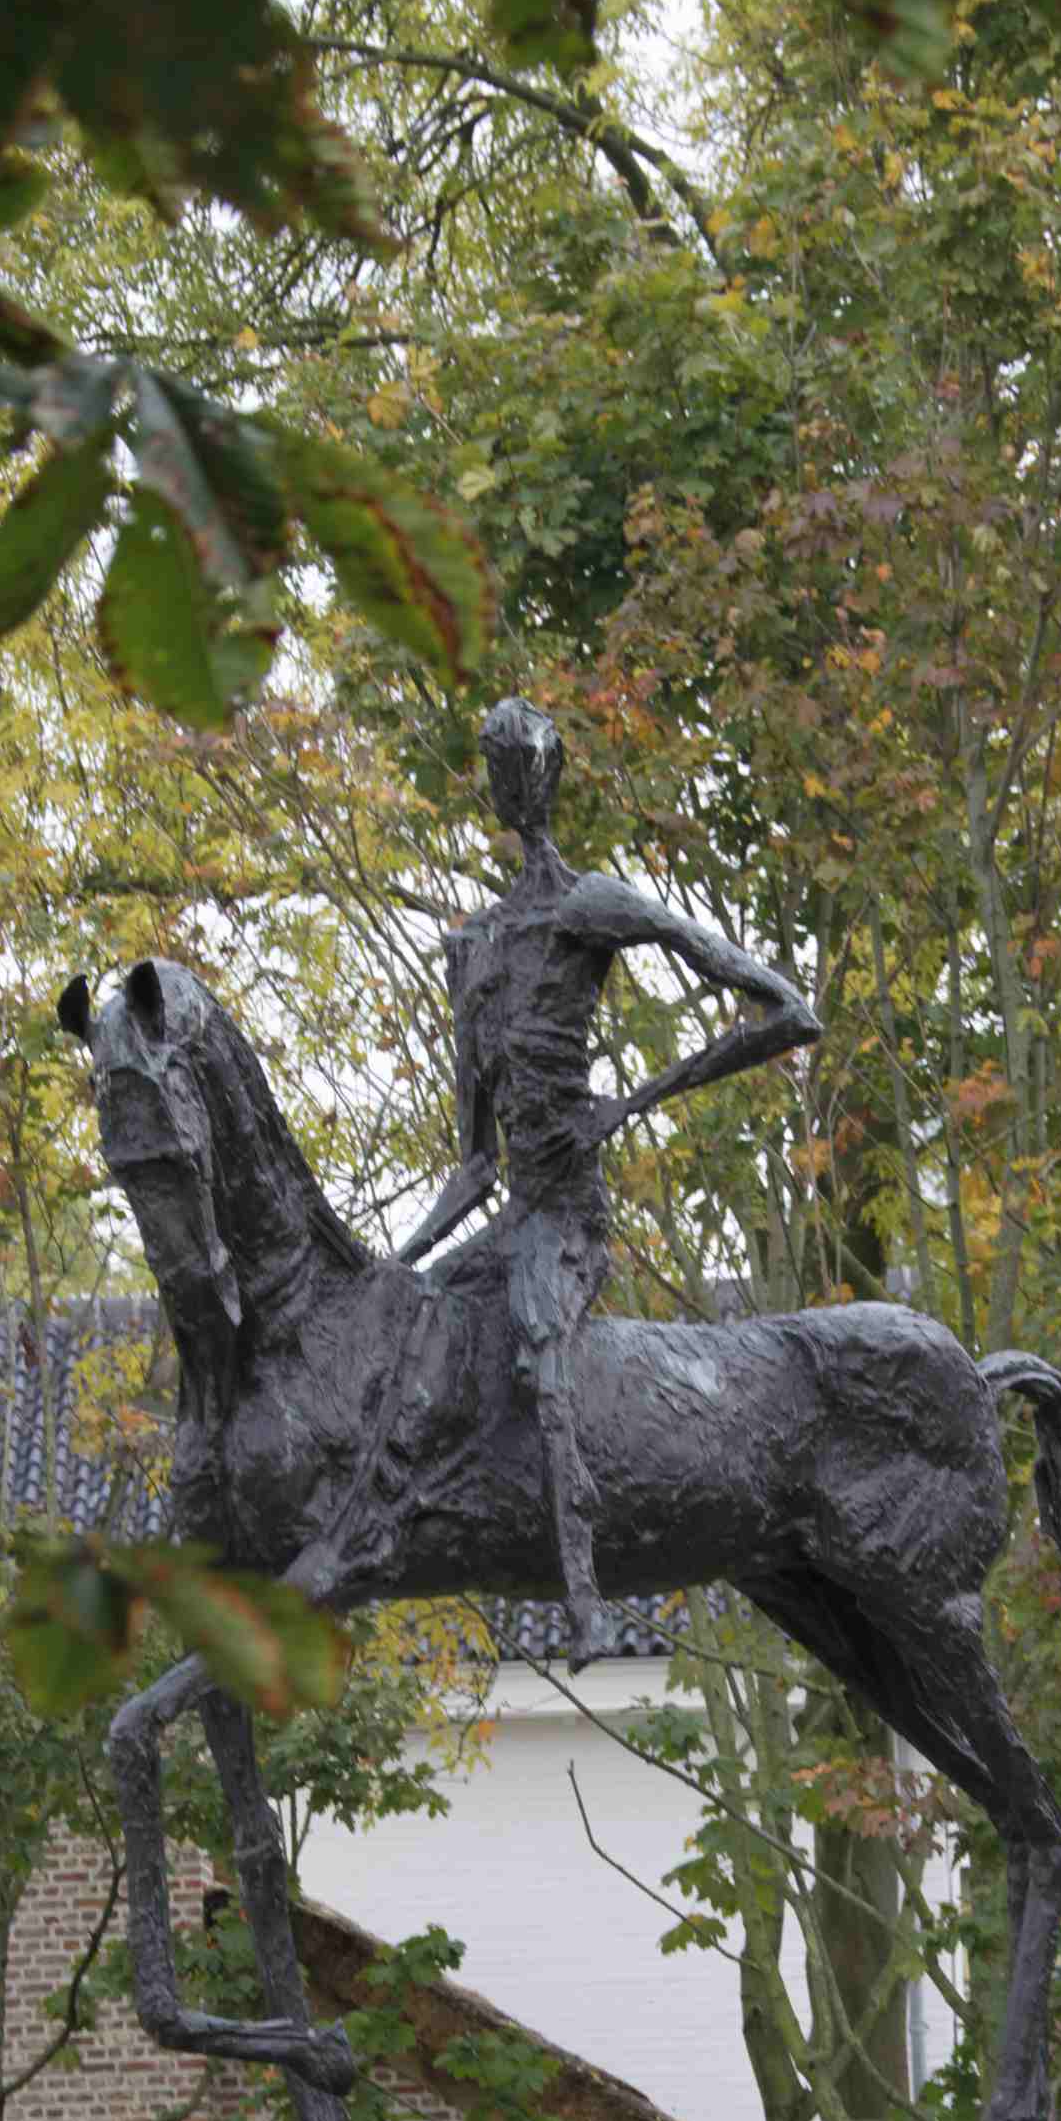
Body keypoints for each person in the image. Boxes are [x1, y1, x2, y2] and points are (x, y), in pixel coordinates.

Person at [398, 698, 821, 1663]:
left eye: (530, 763)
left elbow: (785, 1011)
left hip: (570, 1219)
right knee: (415, 1327)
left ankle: (584, 1591)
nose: (518, 784)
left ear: (552, 776)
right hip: (514, 1216)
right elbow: (474, 1165)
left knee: (538, 1340)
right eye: (502, 766)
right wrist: (398, 1260)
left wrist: (631, 1103)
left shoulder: (594, 906)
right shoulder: (472, 949)